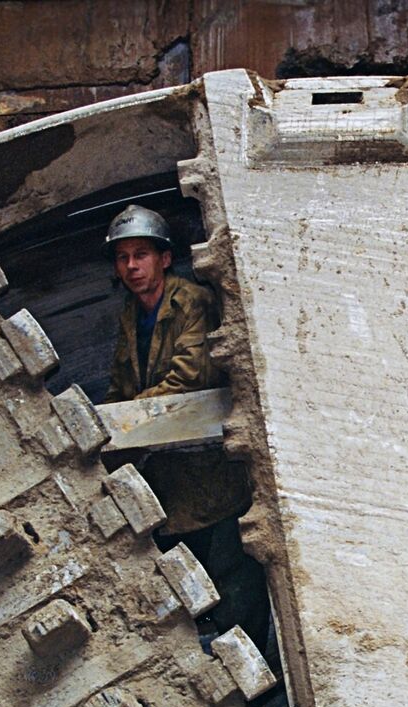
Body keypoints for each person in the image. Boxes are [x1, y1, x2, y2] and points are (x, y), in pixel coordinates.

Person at [103, 204, 271, 653]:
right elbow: (120, 386)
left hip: (214, 479)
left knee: (235, 590)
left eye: (141, 254)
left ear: (164, 258)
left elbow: (190, 378)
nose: (132, 266)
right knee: (190, 595)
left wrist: (124, 421)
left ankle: (263, 677)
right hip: (169, 486)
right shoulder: (130, 315)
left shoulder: (192, 301)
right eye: (122, 257)